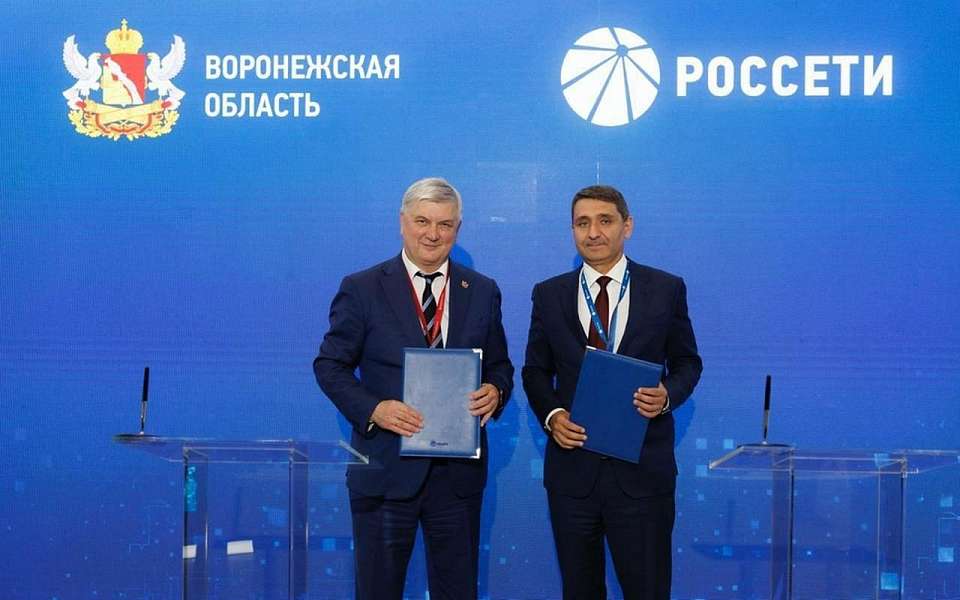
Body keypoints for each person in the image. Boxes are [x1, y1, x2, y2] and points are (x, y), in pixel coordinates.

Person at [313, 177, 514, 600]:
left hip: (457, 480)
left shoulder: (482, 290)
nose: (432, 234)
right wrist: (374, 409)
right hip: (385, 472)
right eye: (422, 221)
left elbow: (500, 366)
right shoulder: (362, 288)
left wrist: (495, 391)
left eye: (444, 224)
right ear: (402, 222)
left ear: (458, 228)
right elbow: (329, 365)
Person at [522, 185, 702, 600]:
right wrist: (552, 416)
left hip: (643, 474)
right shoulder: (548, 294)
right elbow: (534, 371)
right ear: (572, 230)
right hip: (572, 475)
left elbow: (688, 363)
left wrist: (666, 395)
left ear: (627, 226)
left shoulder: (666, 288)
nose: (593, 232)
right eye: (582, 223)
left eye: (605, 221)